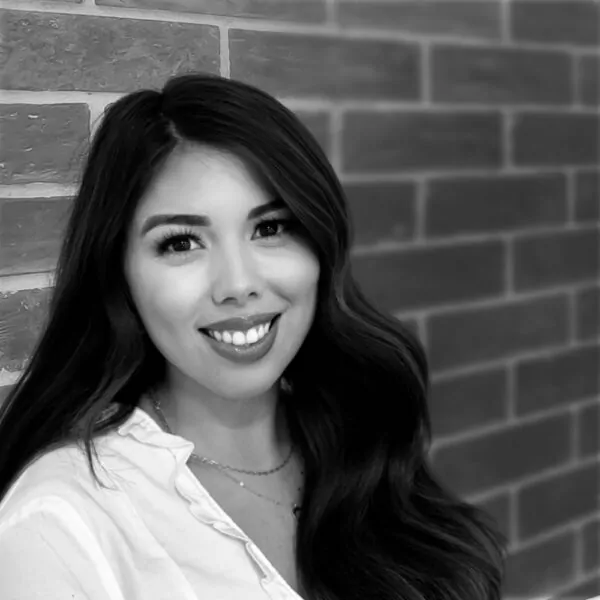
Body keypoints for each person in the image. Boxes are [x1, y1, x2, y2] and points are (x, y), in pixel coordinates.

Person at [0, 72, 507, 600]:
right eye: (181, 243)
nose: (238, 285)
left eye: (270, 228)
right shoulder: (59, 526)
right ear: (119, 273)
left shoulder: (358, 441)